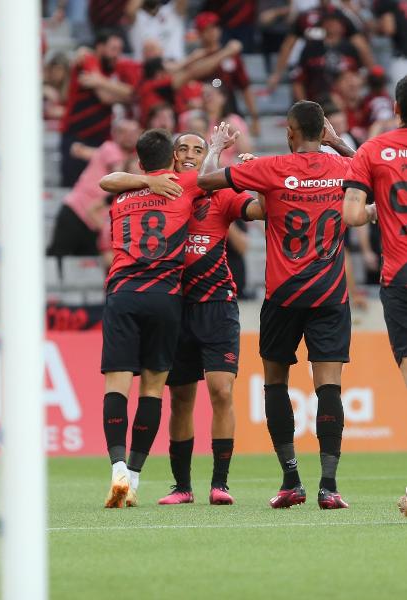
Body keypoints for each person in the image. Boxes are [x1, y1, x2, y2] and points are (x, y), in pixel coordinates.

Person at [198, 105, 361, 510]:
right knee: (329, 386)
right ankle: (329, 487)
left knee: (275, 383)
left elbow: (205, 182)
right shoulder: (346, 170)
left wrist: (217, 148)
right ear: (320, 131)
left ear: (289, 131)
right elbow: (369, 170)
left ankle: (291, 479)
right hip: (329, 296)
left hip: (283, 296)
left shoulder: (269, 168)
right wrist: (336, 141)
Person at [101, 132, 263, 506]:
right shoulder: (171, 187)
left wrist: (254, 177)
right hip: (174, 304)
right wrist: (152, 179)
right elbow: (112, 180)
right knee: (181, 399)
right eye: (183, 149)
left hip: (215, 303)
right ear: (171, 156)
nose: (190, 155)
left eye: (198, 149)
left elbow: (258, 211)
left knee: (221, 391)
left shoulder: (216, 190)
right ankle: (182, 487)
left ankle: (219, 483)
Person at [99, 128, 206, 509]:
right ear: (172, 158)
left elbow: (105, 179)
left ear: (140, 160)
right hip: (164, 297)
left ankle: (117, 468)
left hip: (123, 294)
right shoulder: (185, 183)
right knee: (152, 388)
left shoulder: (123, 192)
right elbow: (214, 176)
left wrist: (144, 180)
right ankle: (136, 477)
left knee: (116, 387)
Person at [343, 75, 407, 388]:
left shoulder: (373, 149)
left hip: (399, 275)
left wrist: (375, 210)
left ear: (396, 108)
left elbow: (352, 215)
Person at [48, 119, 140, 258]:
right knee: (56, 258)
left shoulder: (131, 159)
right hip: (76, 212)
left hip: (96, 223)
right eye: (123, 132)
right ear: (114, 134)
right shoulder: (110, 147)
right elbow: (118, 173)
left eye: (133, 132)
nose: (129, 136)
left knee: (88, 274)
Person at [60, 30, 135, 186]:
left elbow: (134, 94)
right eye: (113, 49)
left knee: (98, 189)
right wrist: (123, 95)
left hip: (100, 140)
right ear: (100, 47)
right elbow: (105, 97)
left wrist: (100, 81)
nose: (117, 55)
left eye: (120, 50)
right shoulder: (88, 59)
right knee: (74, 188)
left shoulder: (115, 67)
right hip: (77, 136)